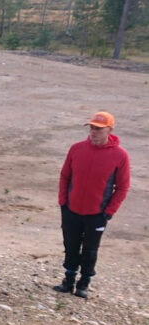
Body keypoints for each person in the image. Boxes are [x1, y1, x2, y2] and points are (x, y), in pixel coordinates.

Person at [53, 112, 130, 299]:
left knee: (90, 250)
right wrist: (63, 201)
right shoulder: (76, 149)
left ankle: (84, 284)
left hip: (97, 213)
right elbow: (65, 176)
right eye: (91, 127)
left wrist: (109, 212)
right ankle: (68, 281)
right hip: (71, 209)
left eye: (98, 128)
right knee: (71, 246)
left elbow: (122, 186)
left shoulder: (120, 155)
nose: (93, 132)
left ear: (109, 130)